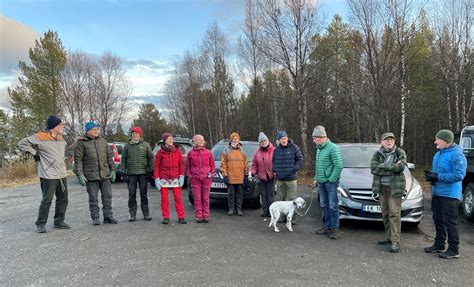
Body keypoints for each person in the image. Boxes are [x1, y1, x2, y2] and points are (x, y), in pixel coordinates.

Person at [18, 115, 70, 233]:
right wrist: (34, 153)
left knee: (63, 199)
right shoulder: (40, 136)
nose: (62, 127)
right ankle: (40, 224)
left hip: (61, 173)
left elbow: (61, 151)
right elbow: (21, 143)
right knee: (47, 200)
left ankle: (59, 221)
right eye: (60, 125)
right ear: (53, 126)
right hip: (48, 174)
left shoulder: (60, 136)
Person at [424, 129, 467, 259]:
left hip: (450, 194)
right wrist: (432, 177)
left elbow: (459, 175)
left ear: (445, 141)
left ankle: (454, 249)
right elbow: (439, 172)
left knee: (450, 222)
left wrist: (438, 177)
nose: (435, 141)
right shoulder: (439, 153)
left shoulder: (457, 155)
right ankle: (439, 244)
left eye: (438, 139)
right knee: (438, 219)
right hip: (437, 192)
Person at [74, 121, 118, 225]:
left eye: (97, 129)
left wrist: (113, 170)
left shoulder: (103, 141)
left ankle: (108, 216)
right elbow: (78, 160)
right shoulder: (81, 143)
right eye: (94, 129)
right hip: (91, 175)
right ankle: (95, 217)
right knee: (93, 198)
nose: (96, 131)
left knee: (107, 197)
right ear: (88, 131)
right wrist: (79, 174)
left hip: (105, 174)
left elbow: (109, 157)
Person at [370, 132, 407, 253]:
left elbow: (400, 168)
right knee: (385, 213)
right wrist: (391, 167)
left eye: (391, 139)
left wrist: (383, 166)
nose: (389, 142)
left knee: (394, 214)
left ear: (394, 141)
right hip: (382, 188)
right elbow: (374, 169)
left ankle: (396, 242)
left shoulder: (400, 153)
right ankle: (388, 237)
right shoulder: (377, 154)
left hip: (394, 188)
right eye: (386, 140)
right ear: (381, 142)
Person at [312, 126, 343, 240]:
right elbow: (319, 166)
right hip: (321, 182)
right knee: (323, 205)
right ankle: (326, 226)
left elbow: (339, 166)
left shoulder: (333, 148)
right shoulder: (319, 148)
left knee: (332, 206)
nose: (314, 140)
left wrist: (331, 179)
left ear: (321, 137)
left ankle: (334, 229)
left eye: (315, 138)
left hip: (330, 183)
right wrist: (316, 178)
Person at [121, 126, 154, 222]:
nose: (135, 135)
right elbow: (123, 160)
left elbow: (151, 158)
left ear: (140, 134)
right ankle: (132, 214)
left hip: (143, 173)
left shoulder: (146, 145)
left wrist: (150, 170)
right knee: (132, 194)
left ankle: (146, 214)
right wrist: (123, 172)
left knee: (143, 194)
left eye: (136, 133)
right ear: (131, 135)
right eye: (133, 133)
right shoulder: (127, 146)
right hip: (131, 174)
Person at [154, 133, 186, 224]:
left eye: (171, 139)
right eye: (168, 139)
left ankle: (181, 217)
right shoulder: (160, 153)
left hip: (175, 178)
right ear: (164, 141)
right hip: (164, 178)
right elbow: (156, 166)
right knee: (164, 199)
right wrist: (157, 178)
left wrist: (181, 176)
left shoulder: (177, 151)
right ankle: (166, 217)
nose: (170, 140)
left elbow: (181, 165)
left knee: (178, 198)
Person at [186, 134, 215, 223]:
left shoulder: (208, 152)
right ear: (195, 142)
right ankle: (199, 215)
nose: (201, 142)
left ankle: (206, 215)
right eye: (199, 140)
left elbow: (212, 165)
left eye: (202, 140)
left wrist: (211, 174)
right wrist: (191, 176)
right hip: (195, 178)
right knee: (197, 198)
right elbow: (188, 167)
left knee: (205, 198)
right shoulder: (190, 153)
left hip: (206, 178)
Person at [221, 132, 248, 216]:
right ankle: (231, 209)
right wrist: (225, 175)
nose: (235, 140)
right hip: (230, 177)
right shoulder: (226, 150)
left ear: (239, 140)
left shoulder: (242, 150)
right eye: (234, 138)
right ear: (231, 140)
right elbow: (223, 164)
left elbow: (246, 163)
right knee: (231, 194)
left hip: (240, 177)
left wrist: (246, 175)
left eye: (237, 138)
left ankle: (239, 209)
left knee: (240, 194)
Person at [272, 130, 304, 202]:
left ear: (287, 138)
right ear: (279, 140)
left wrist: (294, 169)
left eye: (285, 138)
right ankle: (283, 214)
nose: (284, 140)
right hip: (280, 179)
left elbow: (300, 160)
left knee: (291, 201)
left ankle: (292, 213)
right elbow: (273, 161)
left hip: (291, 179)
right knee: (281, 201)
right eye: (282, 139)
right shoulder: (276, 150)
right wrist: (275, 170)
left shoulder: (294, 147)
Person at [251, 132, 275, 217]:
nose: (263, 142)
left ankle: (271, 211)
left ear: (268, 141)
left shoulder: (274, 150)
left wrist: (276, 171)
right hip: (261, 177)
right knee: (263, 195)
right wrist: (252, 173)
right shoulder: (257, 152)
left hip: (271, 176)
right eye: (262, 141)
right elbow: (254, 165)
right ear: (260, 143)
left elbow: (276, 162)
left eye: (265, 140)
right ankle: (265, 210)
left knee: (270, 195)